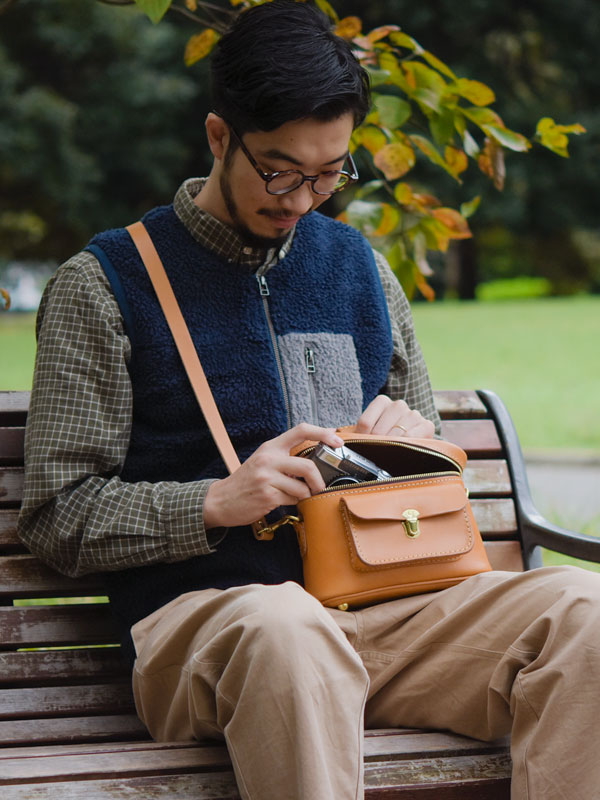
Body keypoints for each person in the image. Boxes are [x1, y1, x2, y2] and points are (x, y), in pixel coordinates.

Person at [18, 2, 600, 799]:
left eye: (330, 175)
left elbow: (436, 470)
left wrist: (412, 439)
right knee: (288, 629)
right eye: (280, 171)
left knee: (585, 607)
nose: (302, 200)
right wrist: (214, 502)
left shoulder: (358, 266)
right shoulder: (107, 285)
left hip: (387, 617)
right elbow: (58, 515)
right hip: (213, 630)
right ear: (220, 137)